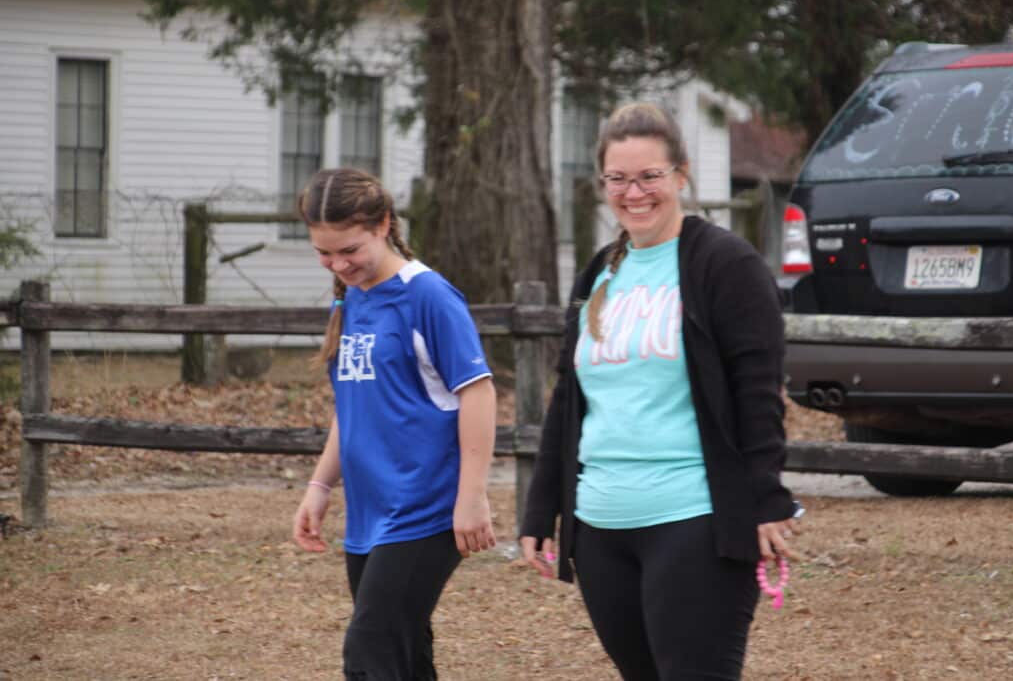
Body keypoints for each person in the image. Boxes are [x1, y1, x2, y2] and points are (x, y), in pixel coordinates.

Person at [519, 103, 802, 680]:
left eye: (650, 176)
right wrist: (541, 508)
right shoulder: (600, 271)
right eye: (618, 179)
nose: (634, 193)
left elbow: (757, 393)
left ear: (681, 175)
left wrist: (766, 499)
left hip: (693, 522)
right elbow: (569, 399)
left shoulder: (725, 264)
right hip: (600, 530)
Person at [291, 167, 497, 681]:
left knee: (370, 656)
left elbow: (477, 392)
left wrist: (472, 496)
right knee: (404, 657)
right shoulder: (351, 296)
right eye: (324, 253)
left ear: (383, 224)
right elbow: (353, 407)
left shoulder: (428, 296)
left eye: (349, 250)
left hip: (425, 509)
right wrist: (320, 486)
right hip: (370, 513)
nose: (339, 264)